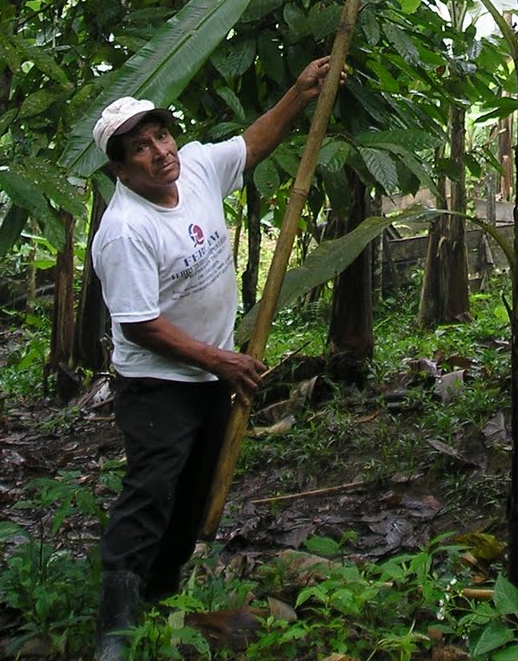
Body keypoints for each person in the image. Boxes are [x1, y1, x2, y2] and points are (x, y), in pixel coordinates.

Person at [90, 55, 335, 661]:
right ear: (119, 169)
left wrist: (300, 94)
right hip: (159, 383)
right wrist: (220, 360)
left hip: (212, 372)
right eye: (140, 148)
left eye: (160, 135)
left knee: (196, 487)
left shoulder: (195, 167)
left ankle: (163, 588)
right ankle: (116, 624)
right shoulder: (125, 229)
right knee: (151, 488)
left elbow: (250, 145)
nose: (159, 151)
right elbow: (140, 325)